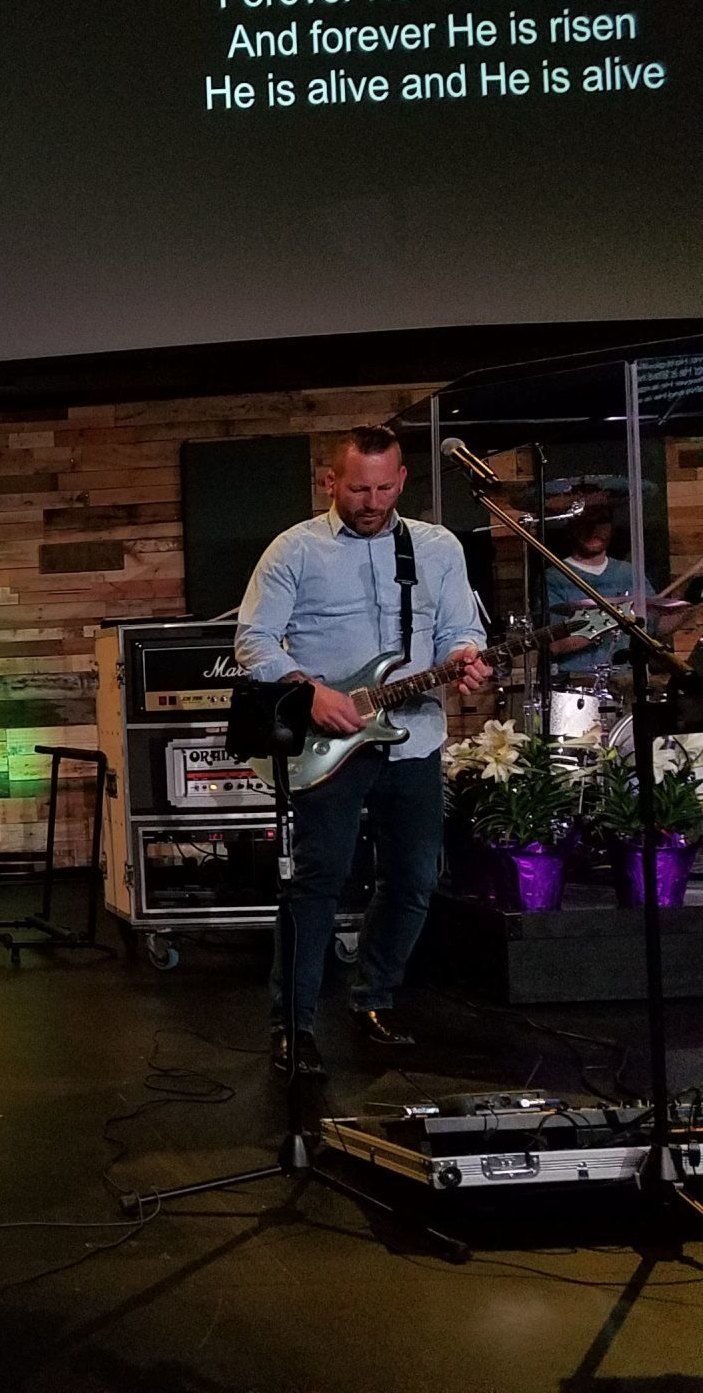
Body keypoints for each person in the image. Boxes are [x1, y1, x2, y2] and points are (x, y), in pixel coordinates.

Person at [236, 425, 491, 1077]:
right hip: (330, 746)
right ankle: (291, 1025)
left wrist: (464, 659)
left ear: (402, 481)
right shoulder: (295, 549)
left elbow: (462, 631)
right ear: (331, 482)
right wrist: (311, 689)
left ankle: (372, 997)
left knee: (414, 881)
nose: (371, 500)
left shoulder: (437, 548)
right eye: (357, 489)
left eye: (383, 487)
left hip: (416, 740)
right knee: (317, 884)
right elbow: (255, 643)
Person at [545, 499, 633, 676]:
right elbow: (553, 645)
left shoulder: (628, 572)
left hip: (626, 679)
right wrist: (609, 622)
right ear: (571, 526)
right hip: (576, 683)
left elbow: (658, 625)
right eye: (585, 522)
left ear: (611, 527)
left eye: (601, 522)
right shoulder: (554, 577)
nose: (593, 530)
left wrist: (693, 599)